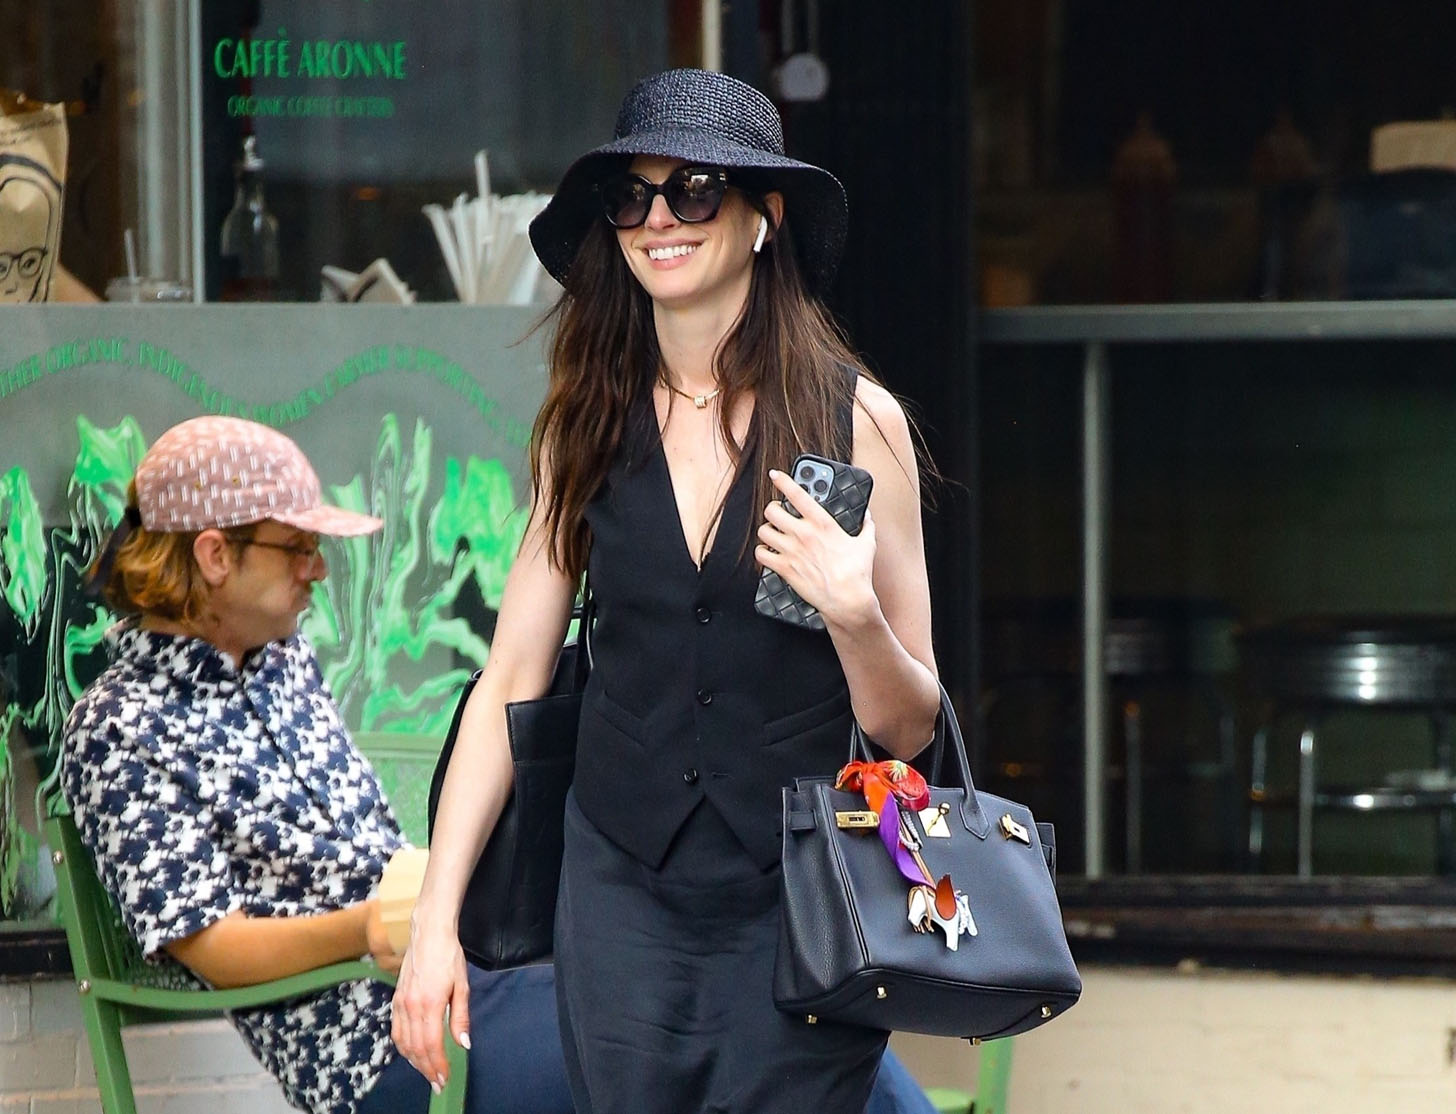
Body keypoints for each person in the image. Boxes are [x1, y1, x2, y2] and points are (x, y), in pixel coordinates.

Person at [395, 68, 942, 1114]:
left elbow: (910, 727)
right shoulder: (585, 423)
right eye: (630, 195)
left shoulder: (856, 422)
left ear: (763, 217)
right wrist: (435, 919)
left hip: (802, 897)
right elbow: (510, 678)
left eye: (693, 190)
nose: (659, 219)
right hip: (620, 892)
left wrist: (853, 613)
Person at [61, 415, 574, 1114]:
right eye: (298, 547)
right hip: (373, 1047)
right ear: (214, 555)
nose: (320, 569)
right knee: (635, 1049)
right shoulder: (118, 728)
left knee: (668, 1004)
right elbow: (212, 946)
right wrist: (369, 926)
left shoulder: (282, 659)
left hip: (462, 963)